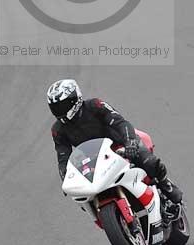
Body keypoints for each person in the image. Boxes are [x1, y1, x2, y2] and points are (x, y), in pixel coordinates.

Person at [48, 78, 183, 218]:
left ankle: (166, 185)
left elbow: (120, 122)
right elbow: (63, 157)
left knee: (148, 162)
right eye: (55, 107)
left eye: (62, 106)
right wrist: (65, 178)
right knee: (82, 195)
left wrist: (130, 142)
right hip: (93, 159)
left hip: (120, 145)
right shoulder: (58, 129)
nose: (59, 111)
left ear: (74, 100)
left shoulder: (95, 105)